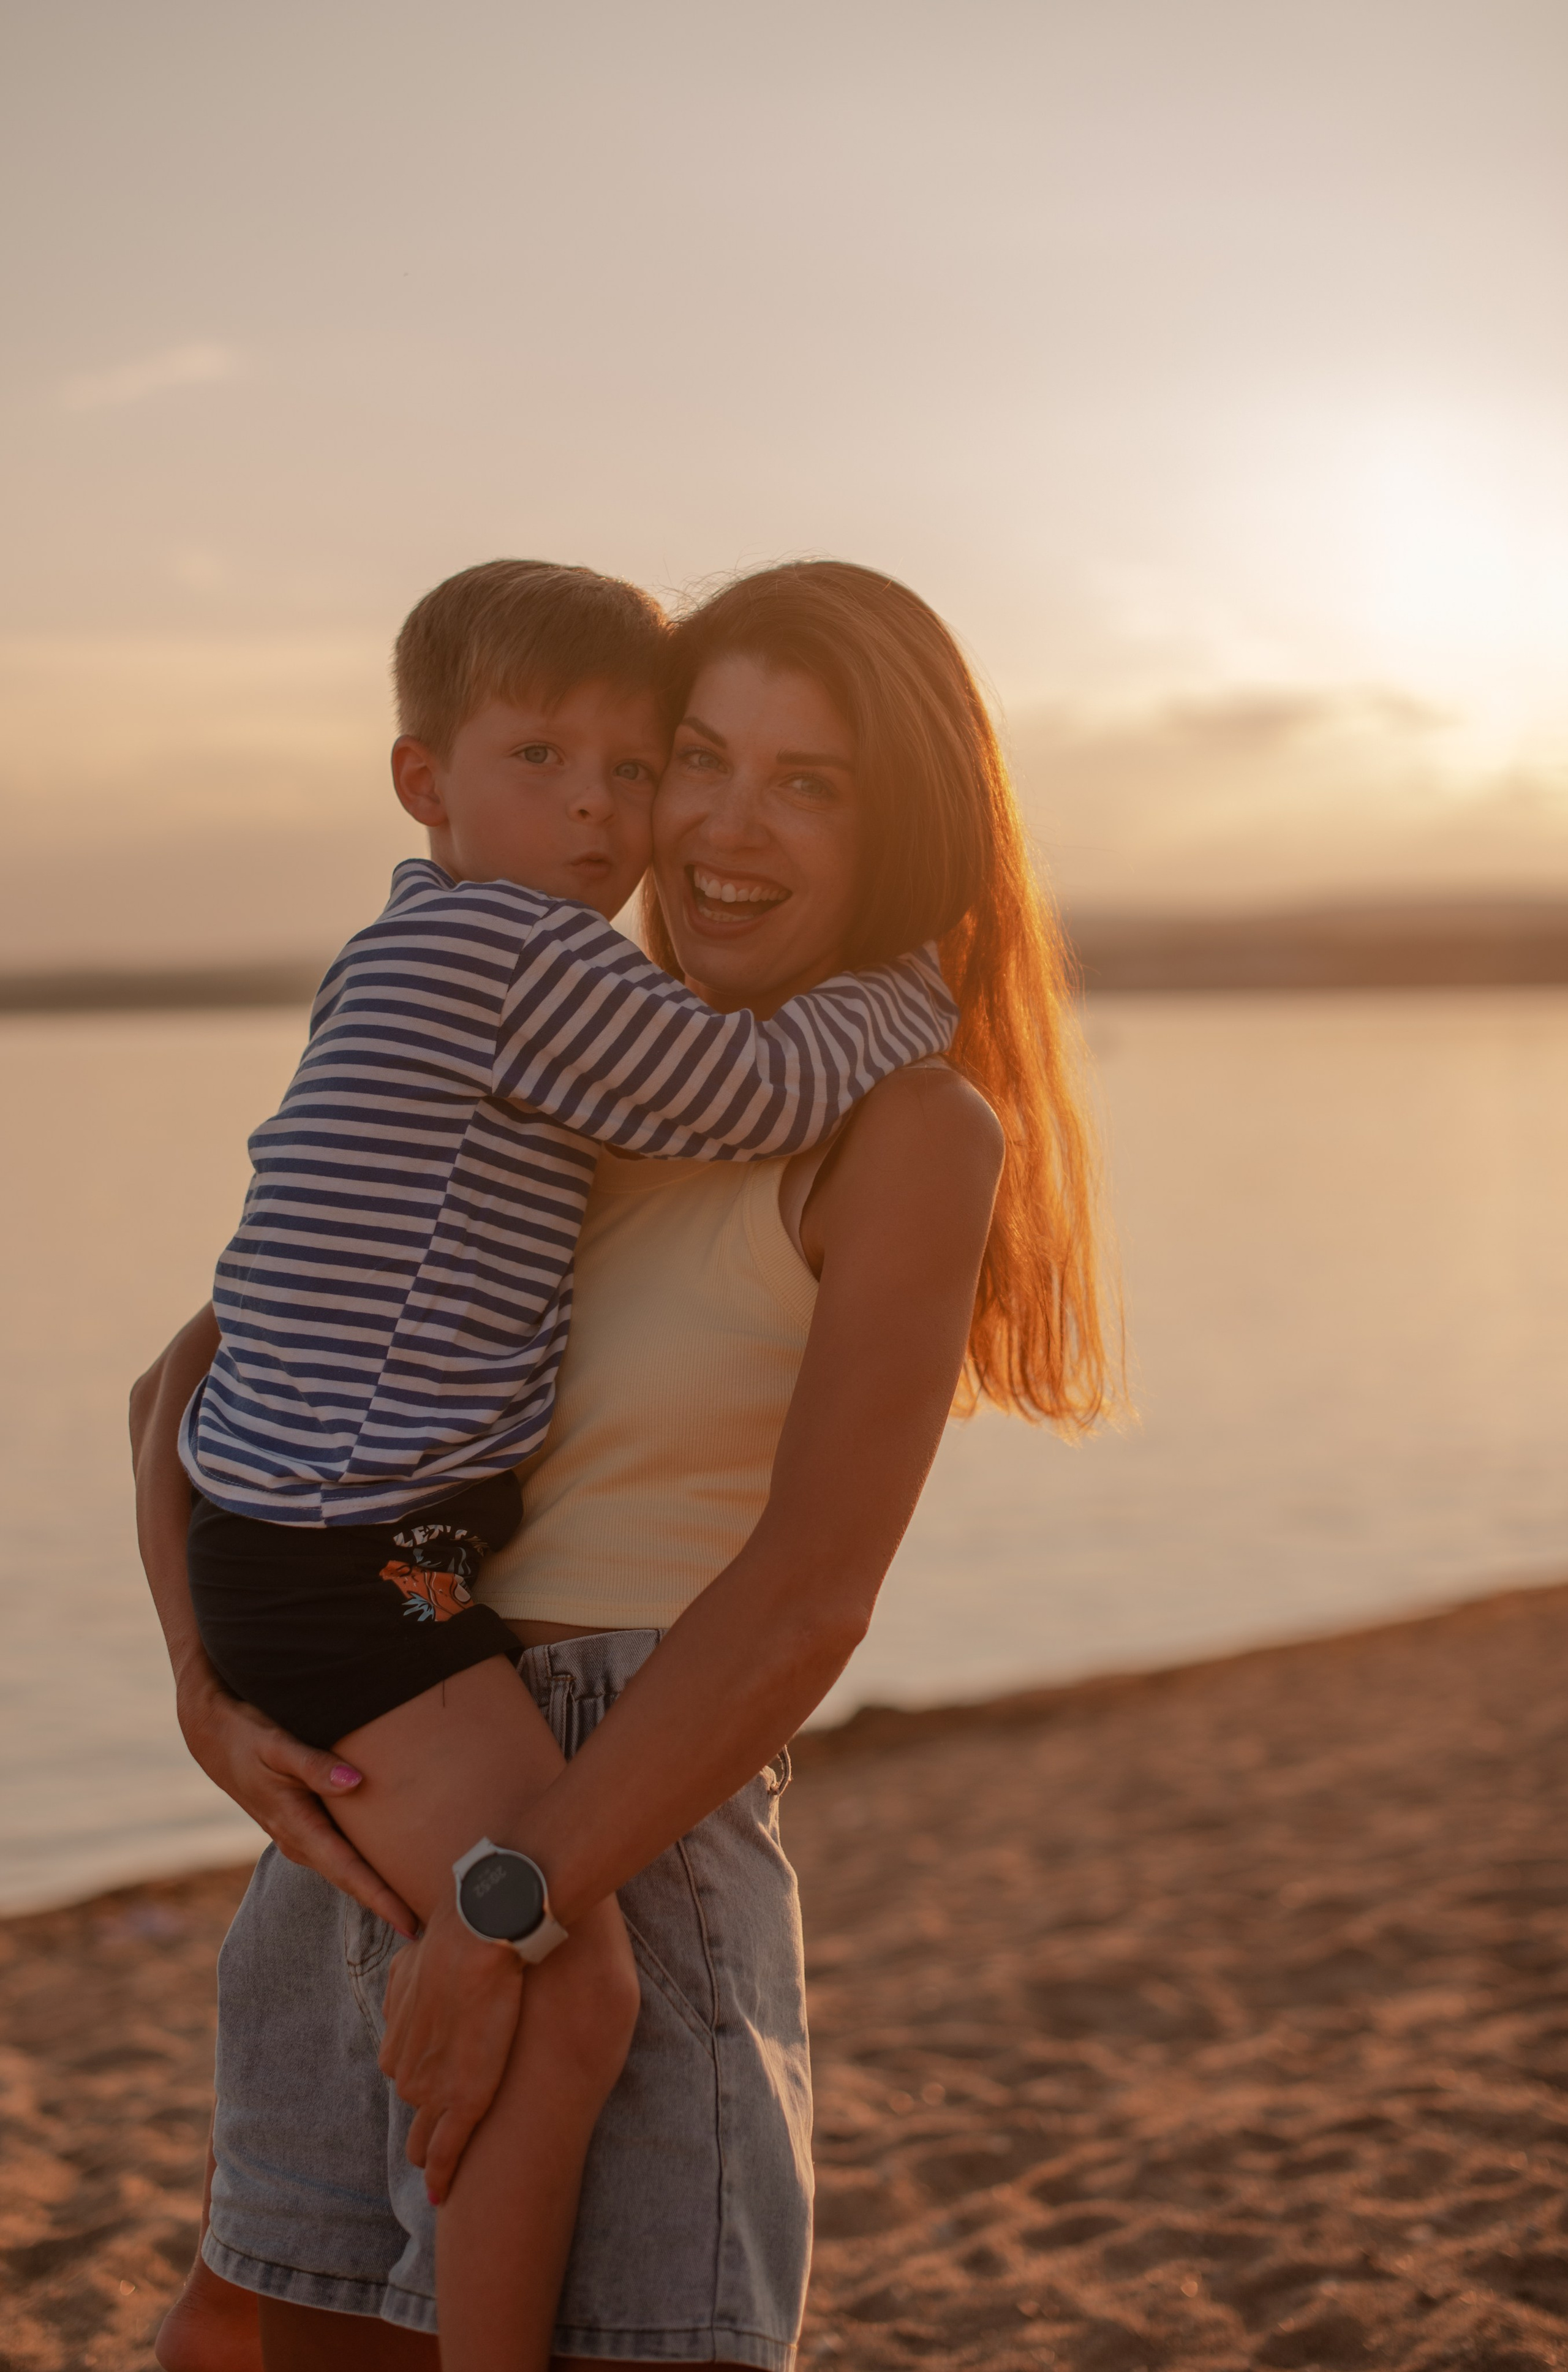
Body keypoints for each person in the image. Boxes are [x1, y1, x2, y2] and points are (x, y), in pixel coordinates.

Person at [134, 559, 1112, 2371]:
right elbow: (183, 1386)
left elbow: (806, 1604)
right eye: (698, 759)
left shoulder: (905, 1126)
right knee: (253, 2342)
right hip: (389, 1770)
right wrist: (206, 1693)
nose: (717, 825)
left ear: (909, 827)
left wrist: (516, 1909)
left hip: (607, 1844)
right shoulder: (571, 1052)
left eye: (808, 783)